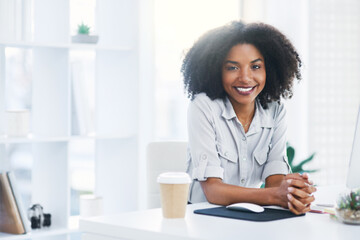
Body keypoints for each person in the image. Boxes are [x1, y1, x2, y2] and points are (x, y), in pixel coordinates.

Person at [182, 21, 316, 215]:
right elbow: (213, 191)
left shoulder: (275, 110)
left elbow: (275, 182)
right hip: (203, 216)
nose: (245, 78)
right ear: (216, 70)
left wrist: (293, 193)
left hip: (251, 215)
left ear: (269, 69)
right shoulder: (203, 106)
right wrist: (275, 195)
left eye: (255, 66)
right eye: (232, 68)